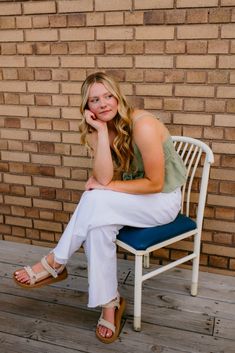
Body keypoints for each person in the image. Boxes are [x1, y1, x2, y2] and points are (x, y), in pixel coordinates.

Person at [13, 72, 186, 344]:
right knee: (98, 224)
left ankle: (55, 262)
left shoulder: (143, 124)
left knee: (95, 199)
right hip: (135, 199)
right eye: (95, 99)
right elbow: (104, 178)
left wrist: (107, 188)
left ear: (118, 95)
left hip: (162, 201)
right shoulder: (100, 128)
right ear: (87, 108)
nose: (104, 104)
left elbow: (154, 183)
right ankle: (110, 303)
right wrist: (103, 132)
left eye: (107, 95)